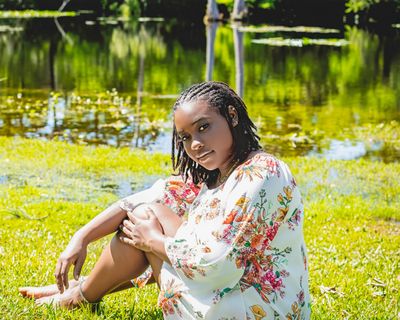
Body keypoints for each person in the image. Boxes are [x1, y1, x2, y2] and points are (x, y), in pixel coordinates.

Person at [19, 81, 311, 319]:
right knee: (148, 213)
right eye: (185, 137)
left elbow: (219, 266)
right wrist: (81, 237)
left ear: (232, 116)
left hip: (255, 310)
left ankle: (75, 299)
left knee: (148, 222)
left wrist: (154, 242)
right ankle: (80, 292)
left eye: (203, 127)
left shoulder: (261, 174)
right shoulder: (216, 177)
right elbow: (140, 201)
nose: (194, 144)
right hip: (232, 294)